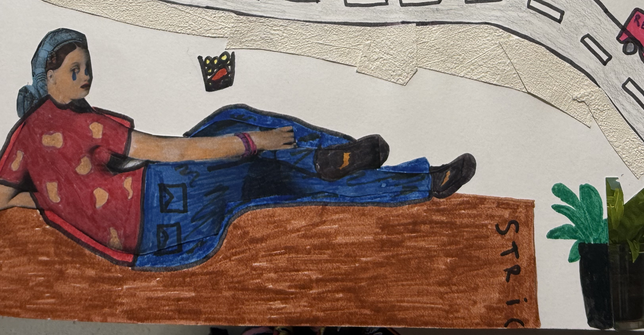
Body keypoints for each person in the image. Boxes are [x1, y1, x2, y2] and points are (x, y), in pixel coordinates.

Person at [0, 28, 476, 270]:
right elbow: (169, 152)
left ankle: (398, 175)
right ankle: (331, 158)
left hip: (150, 241)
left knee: (257, 153)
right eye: (76, 71)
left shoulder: (22, 138)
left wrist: (42, 202)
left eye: (87, 68)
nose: (86, 78)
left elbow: (3, 197)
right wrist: (254, 142)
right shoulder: (82, 123)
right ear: (48, 77)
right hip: (167, 205)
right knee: (253, 141)